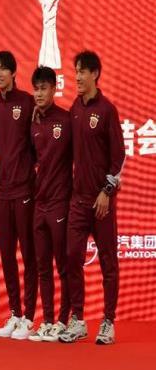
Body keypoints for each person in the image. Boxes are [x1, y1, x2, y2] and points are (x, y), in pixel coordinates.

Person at [60, 51, 125, 345]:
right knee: (71, 256)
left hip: (102, 203)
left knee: (108, 262)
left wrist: (106, 192)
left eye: (83, 71)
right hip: (78, 200)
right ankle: (78, 319)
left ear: (95, 74)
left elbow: (118, 156)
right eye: (76, 71)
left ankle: (108, 321)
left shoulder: (107, 110)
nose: (77, 77)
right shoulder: (74, 108)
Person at [0, 51, 38, 340]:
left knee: (28, 255)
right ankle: (15, 313)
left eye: (2, 69)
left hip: (24, 191)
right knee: (7, 255)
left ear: (13, 73)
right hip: (3, 191)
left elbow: (36, 144)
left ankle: (30, 317)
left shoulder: (27, 102)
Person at [28, 66, 71, 342]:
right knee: (42, 266)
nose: (39, 94)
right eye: (36, 89)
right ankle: (46, 320)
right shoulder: (33, 122)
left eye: (44, 88)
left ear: (54, 89)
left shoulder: (66, 120)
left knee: (63, 266)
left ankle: (64, 321)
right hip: (39, 203)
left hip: (60, 203)